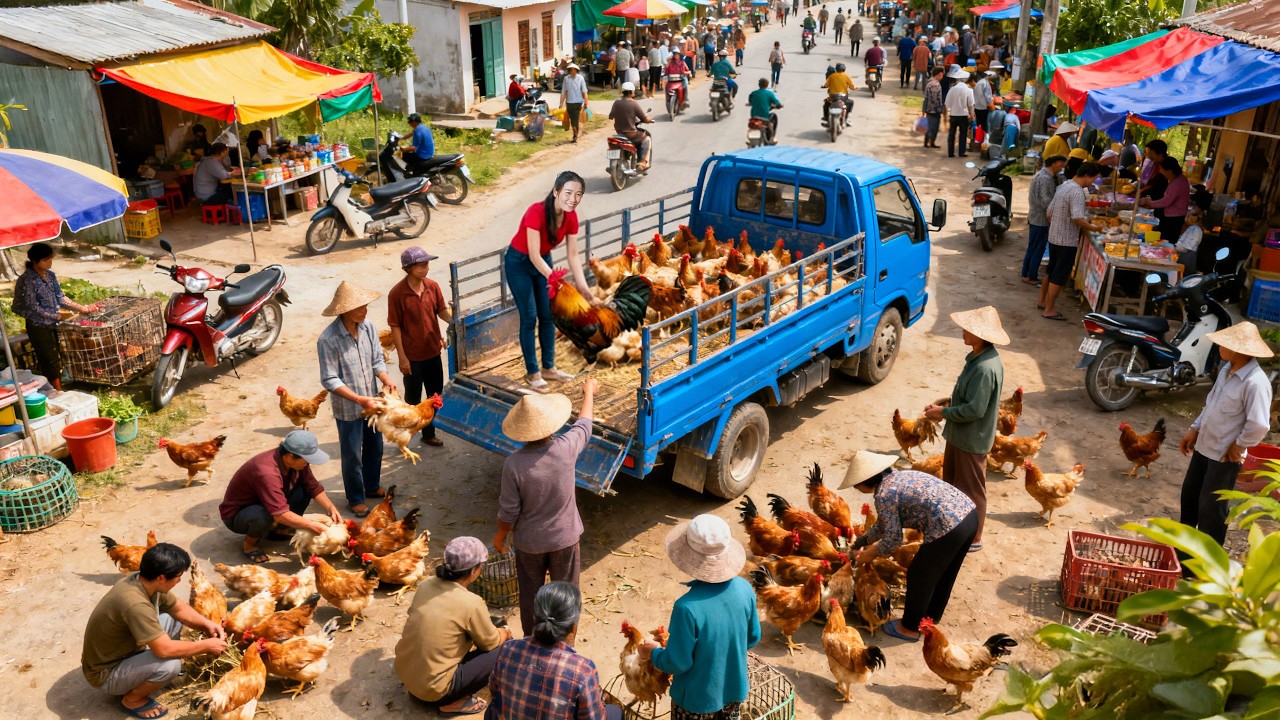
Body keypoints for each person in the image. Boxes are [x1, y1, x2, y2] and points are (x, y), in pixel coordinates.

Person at [494, 381, 596, 635]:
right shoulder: (565, 448)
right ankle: (565, 643)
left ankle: (531, 641)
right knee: (567, 596)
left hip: (529, 544)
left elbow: (508, 513)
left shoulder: (514, 465)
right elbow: (585, 423)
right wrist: (589, 392)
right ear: (551, 426)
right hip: (565, 540)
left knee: (530, 596)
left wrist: (500, 536)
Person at [82, 544, 228, 719]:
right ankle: (132, 699)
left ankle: (149, 670)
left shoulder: (143, 581)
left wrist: (207, 625)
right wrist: (206, 645)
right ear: (161, 577)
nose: (179, 581)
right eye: (178, 577)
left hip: (122, 651)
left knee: (172, 618)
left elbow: (178, 608)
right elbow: (163, 650)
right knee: (170, 665)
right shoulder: (135, 604)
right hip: (105, 674)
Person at [843, 451, 978, 641]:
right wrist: (863, 540)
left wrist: (869, 554)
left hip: (948, 526)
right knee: (945, 570)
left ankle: (910, 628)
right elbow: (885, 524)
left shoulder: (883, 494)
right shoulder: (899, 476)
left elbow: (893, 539)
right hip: (969, 516)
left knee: (919, 573)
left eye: (857, 485)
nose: (857, 488)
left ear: (866, 481)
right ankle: (931, 616)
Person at [642, 515, 758, 719]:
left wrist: (653, 653)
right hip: (734, 690)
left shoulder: (686, 608)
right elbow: (753, 637)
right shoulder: (745, 589)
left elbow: (678, 663)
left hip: (695, 700)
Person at [1178, 322, 1273, 560]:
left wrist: (1239, 444)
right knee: (1190, 498)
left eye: (1226, 344)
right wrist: (1195, 428)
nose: (1220, 346)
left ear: (1240, 350)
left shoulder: (1255, 383)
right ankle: (1183, 560)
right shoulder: (1226, 369)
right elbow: (1212, 403)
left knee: (1211, 511)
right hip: (1205, 447)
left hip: (1224, 457)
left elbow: (1260, 424)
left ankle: (1208, 565)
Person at [396, 536, 512, 716]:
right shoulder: (472, 603)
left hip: (408, 678)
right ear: (474, 570)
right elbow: (490, 643)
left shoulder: (426, 584)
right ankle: (452, 701)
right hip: (435, 692)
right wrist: (505, 632)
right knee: (507, 647)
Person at [922, 306, 1007, 551]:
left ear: (981, 335)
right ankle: (954, 527)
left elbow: (975, 410)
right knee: (952, 485)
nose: (962, 332)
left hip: (972, 439)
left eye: (968, 329)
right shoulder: (978, 359)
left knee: (972, 491)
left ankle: (974, 538)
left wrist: (943, 413)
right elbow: (968, 400)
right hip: (961, 436)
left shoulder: (984, 368)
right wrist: (944, 405)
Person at [505, 171, 592, 389]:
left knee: (547, 315)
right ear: (556, 191)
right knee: (529, 317)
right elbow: (533, 255)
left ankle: (549, 368)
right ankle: (533, 373)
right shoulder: (536, 212)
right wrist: (553, 277)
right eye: (568, 193)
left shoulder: (571, 217)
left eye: (578, 194)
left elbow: (573, 255)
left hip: (543, 260)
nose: (573, 199)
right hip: (520, 263)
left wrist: (583, 287)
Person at [487, 582, 623, 719]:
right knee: (616, 713)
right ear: (573, 627)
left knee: (491, 711)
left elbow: (494, 691)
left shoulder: (509, 649)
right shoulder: (583, 671)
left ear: (535, 617)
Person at [317, 281, 395, 517]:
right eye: (360, 307)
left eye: (365, 306)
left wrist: (385, 378)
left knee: (375, 448)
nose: (365, 310)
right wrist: (360, 399)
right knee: (352, 455)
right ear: (345, 310)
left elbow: (377, 360)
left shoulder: (368, 328)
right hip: (348, 408)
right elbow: (329, 379)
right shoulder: (328, 339)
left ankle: (371, 486)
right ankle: (356, 498)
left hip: (372, 404)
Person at [219, 430, 339, 563]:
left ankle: (279, 529)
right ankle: (249, 545)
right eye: (306, 460)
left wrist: (331, 508)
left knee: (304, 490)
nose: (308, 463)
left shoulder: (297, 462)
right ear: (290, 456)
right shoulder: (267, 472)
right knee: (262, 516)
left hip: (266, 502)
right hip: (240, 514)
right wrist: (314, 526)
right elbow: (279, 514)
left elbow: (313, 486)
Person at [11, 243, 103, 390]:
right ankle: (57, 390)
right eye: (46, 260)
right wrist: (55, 315)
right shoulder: (27, 280)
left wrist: (82, 308)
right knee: (49, 357)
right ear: (35, 261)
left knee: (59, 353)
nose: (50, 262)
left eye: (50, 259)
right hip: (38, 325)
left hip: (53, 322)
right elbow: (32, 306)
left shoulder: (50, 275)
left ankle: (56, 382)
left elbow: (60, 298)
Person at [388, 246, 452, 448]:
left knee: (435, 395)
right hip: (412, 356)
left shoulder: (432, 286)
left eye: (427, 264)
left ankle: (428, 433)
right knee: (413, 398)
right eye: (421, 265)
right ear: (408, 268)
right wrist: (402, 357)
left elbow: (441, 311)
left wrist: (457, 323)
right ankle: (404, 434)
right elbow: (395, 327)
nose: (426, 268)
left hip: (432, 351)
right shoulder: (397, 294)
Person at [1039, 162, 1103, 320]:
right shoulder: (1077, 192)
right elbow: (1077, 218)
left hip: (1054, 237)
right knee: (1059, 275)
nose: (1093, 183)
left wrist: (1059, 223)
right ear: (1087, 176)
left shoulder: (1064, 186)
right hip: (1066, 241)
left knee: (1051, 270)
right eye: (1093, 179)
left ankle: (1042, 301)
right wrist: (1093, 228)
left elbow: (1049, 212)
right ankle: (1049, 309)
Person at [1021, 154, 1067, 287]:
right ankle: (1031, 275)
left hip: (1036, 217)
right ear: (1054, 163)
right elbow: (1045, 201)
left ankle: (1026, 273)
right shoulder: (1045, 179)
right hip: (1040, 218)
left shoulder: (1043, 175)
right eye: (1060, 164)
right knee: (1038, 248)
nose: (1061, 167)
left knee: (1033, 247)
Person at [1140, 156, 1191, 241]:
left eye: (1161, 169)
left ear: (1169, 170)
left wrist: (1148, 202)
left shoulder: (1178, 182)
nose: (1160, 171)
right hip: (1173, 214)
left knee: (1167, 239)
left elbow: (1165, 202)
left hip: (1174, 218)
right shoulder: (1178, 179)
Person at [192, 142, 239, 206]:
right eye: (225, 151)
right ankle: (232, 210)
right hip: (206, 197)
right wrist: (233, 173)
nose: (227, 153)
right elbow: (223, 175)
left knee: (227, 188)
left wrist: (231, 171)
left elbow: (222, 170)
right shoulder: (211, 162)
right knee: (232, 192)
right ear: (219, 152)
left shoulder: (210, 160)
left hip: (202, 193)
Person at [944, 69, 975, 158]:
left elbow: (947, 103)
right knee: (963, 134)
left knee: (952, 134)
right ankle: (961, 152)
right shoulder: (969, 90)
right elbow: (970, 104)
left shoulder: (952, 89)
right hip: (963, 115)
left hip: (953, 115)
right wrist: (971, 114)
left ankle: (950, 152)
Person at [748, 77, 783, 144]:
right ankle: (772, 137)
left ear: (759, 84)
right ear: (767, 84)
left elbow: (750, 101)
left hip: (753, 116)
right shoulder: (770, 93)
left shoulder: (753, 93)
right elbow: (777, 103)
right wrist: (779, 106)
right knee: (774, 116)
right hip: (765, 116)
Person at [559, 64, 588, 143]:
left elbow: (584, 91)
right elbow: (564, 92)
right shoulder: (566, 79)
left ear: (577, 70)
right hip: (570, 102)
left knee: (575, 118)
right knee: (573, 119)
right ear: (569, 71)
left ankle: (575, 134)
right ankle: (575, 133)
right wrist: (561, 103)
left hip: (579, 102)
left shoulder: (581, 78)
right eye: (571, 70)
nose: (573, 71)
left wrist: (586, 102)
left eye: (574, 70)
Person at [1174, 207, 1204, 274]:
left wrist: (1173, 248)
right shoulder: (1192, 228)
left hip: (1187, 259)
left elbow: (1187, 247)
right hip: (1184, 257)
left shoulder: (1195, 230)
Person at [921, 67, 944, 149]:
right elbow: (935, 99)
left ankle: (927, 142)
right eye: (941, 75)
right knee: (934, 127)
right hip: (934, 110)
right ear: (938, 75)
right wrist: (939, 109)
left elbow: (926, 98)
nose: (942, 77)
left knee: (929, 126)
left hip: (929, 109)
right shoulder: (936, 84)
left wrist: (923, 109)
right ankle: (931, 142)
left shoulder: (929, 82)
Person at [973, 70, 993, 141]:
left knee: (979, 124)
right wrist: (991, 105)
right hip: (983, 107)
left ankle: (978, 139)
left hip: (977, 106)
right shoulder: (985, 83)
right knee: (984, 125)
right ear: (987, 76)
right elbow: (988, 97)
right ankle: (982, 140)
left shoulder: (978, 83)